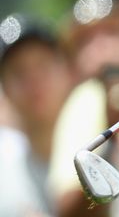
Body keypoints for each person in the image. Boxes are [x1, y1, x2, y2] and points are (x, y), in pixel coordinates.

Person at [0, 15, 77, 216]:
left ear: (67, 71)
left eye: (42, 65)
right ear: (5, 89)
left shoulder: (109, 145)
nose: (33, 80)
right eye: (19, 72)